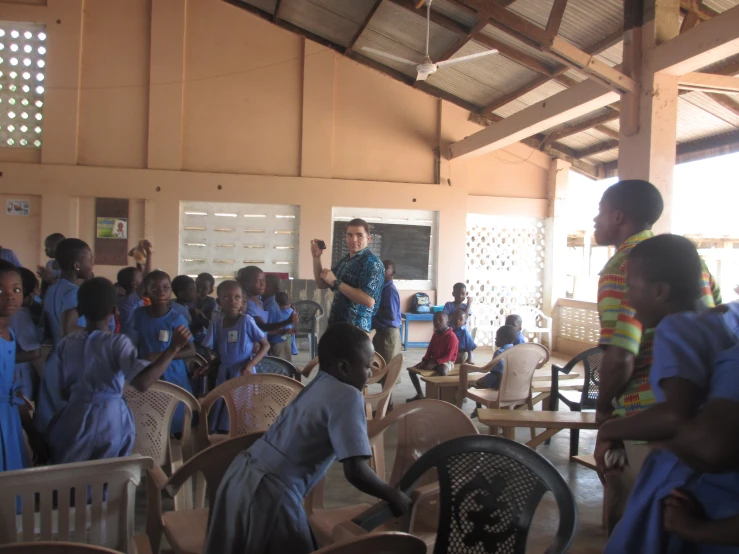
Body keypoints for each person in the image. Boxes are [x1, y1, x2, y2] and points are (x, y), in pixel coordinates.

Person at [203, 323, 412, 554]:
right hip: (272, 494)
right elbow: (356, 471)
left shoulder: (318, 383)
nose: (370, 374)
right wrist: (393, 495)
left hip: (240, 477)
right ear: (344, 367)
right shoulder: (348, 395)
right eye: (366, 366)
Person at [595, 235, 739, 553]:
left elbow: (675, 413)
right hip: (720, 478)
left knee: (638, 537)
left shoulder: (675, 328)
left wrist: (608, 427)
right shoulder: (728, 319)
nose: (628, 299)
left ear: (660, 292)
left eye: (631, 287)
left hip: (682, 468)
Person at [592, 180, 721, 532]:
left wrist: (605, 416)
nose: (595, 219)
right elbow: (716, 320)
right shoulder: (692, 261)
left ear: (618, 216)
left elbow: (621, 354)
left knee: (644, 520)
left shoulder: (625, 267)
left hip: (648, 417)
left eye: (600, 212)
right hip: (709, 415)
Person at [46, 278, 192, 464]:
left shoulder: (66, 344)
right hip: (109, 420)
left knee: (75, 474)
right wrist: (173, 348)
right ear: (114, 310)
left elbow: (62, 390)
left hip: (73, 416)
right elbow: (142, 382)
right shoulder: (116, 343)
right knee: (107, 475)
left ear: (80, 308)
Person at [36, 238, 95, 435]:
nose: (92, 265)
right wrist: (100, 332)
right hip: (72, 362)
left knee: (51, 417)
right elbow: (71, 329)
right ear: (77, 265)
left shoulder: (53, 289)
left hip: (55, 359)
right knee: (70, 425)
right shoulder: (74, 294)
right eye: (90, 260)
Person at [201, 280, 269, 433]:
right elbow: (211, 346)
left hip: (242, 371)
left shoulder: (246, 321)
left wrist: (251, 364)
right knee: (222, 401)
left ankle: (239, 432)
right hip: (224, 371)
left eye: (237, 297)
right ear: (219, 301)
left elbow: (265, 345)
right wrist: (210, 363)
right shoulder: (217, 321)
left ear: (243, 301)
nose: (232, 301)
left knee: (241, 405)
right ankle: (222, 435)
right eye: (226, 297)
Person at [134, 271, 197, 434]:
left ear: (171, 291)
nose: (161, 291)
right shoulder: (139, 315)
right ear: (145, 290)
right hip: (148, 374)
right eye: (154, 288)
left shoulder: (176, 318)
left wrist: (160, 356)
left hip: (173, 376)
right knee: (151, 422)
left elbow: (191, 350)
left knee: (174, 423)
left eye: (165, 287)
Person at [0, 260, 45, 471]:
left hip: (9, 420)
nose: (10, 295)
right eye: (0, 289)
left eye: (16, 289)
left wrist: (32, 432)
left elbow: (11, 391)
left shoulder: (11, 334)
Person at [311, 219, 384, 333]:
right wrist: (316, 257)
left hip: (355, 329)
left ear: (368, 239)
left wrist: (336, 282)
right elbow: (322, 283)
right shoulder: (346, 260)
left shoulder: (372, 263)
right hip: (337, 325)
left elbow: (369, 301)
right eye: (350, 235)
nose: (353, 239)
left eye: (359, 235)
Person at [406, 311, 459, 402]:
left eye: (440, 320)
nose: (437, 322)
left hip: (447, 361)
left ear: (447, 321)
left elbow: (449, 356)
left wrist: (435, 363)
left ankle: (443, 396)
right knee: (412, 370)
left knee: (442, 370)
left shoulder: (451, 337)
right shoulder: (436, 334)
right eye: (435, 320)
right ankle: (420, 394)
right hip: (434, 359)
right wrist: (425, 360)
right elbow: (430, 349)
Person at [10, 268, 42, 404]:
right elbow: (34, 352)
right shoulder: (19, 314)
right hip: (18, 375)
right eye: (34, 289)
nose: (36, 294)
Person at [238, 266, 295, 333]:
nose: (262, 284)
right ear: (247, 283)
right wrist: (288, 321)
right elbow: (262, 327)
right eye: (258, 281)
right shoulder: (249, 304)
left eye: (264, 280)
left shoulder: (259, 300)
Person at [372, 260, 402, 365]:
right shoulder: (382, 288)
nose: (381, 270)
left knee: (387, 369)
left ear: (393, 273)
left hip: (388, 334)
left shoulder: (389, 290)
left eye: (385, 268)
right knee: (379, 367)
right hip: (382, 332)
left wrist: (373, 305)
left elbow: (391, 315)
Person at [475, 325, 518, 390]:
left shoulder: (500, 353)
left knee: (479, 383)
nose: (495, 339)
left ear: (505, 338)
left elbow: (499, 373)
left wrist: (499, 388)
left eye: (497, 337)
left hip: (498, 382)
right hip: (513, 383)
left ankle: (480, 399)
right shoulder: (516, 351)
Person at [266, 292, 296, 361]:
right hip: (287, 337)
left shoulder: (273, 311)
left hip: (275, 340)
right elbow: (295, 317)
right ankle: (293, 350)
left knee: (276, 362)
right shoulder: (291, 311)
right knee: (287, 359)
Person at [117, 266, 144, 341]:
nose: (143, 278)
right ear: (134, 284)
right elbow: (146, 282)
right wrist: (149, 256)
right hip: (130, 340)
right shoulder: (127, 301)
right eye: (140, 276)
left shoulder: (138, 299)